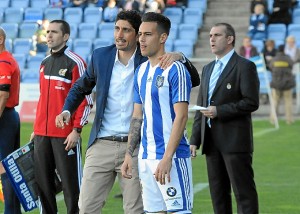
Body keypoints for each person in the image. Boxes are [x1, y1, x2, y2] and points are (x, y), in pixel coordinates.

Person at [55, 10, 199, 214]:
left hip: (138, 146)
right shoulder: (101, 56)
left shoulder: (149, 60)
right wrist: (67, 110)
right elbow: (81, 87)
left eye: (126, 30)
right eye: (116, 29)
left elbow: (191, 80)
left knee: (135, 210)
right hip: (102, 142)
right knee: (86, 207)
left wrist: (181, 57)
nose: (119, 35)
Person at [121, 12, 193, 213]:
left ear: (163, 38)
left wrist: (167, 157)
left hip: (172, 158)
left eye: (147, 34)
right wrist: (129, 155)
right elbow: (137, 116)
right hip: (145, 158)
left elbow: (182, 116)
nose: (141, 39)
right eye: (140, 34)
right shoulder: (141, 71)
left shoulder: (176, 70)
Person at [190, 23, 260, 213]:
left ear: (230, 39)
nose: (211, 39)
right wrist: (195, 140)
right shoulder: (207, 68)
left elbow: (251, 102)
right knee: (218, 195)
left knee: (243, 194)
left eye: (217, 35)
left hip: (235, 141)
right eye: (211, 35)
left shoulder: (245, 66)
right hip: (211, 142)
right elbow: (201, 106)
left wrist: (219, 111)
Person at [31, 20, 93, 214]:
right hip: (42, 134)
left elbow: (85, 98)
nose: (49, 35)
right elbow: (43, 99)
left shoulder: (76, 62)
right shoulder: (44, 63)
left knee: (70, 186)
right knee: (43, 185)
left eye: (54, 32)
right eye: (48, 32)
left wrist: (76, 129)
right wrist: (36, 129)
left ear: (65, 37)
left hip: (65, 136)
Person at [0, 27, 22, 214]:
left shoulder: (4, 61)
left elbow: (2, 95)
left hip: (4, 117)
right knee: (9, 165)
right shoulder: (5, 59)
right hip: (8, 116)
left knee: (5, 167)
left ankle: (10, 210)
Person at [269, 44, 295, 125]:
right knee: (288, 103)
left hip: (276, 84)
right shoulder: (288, 59)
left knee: (275, 102)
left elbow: (270, 68)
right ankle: (289, 120)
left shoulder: (274, 60)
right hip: (287, 84)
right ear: (284, 50)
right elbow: (291, 66)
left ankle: (273, 119)